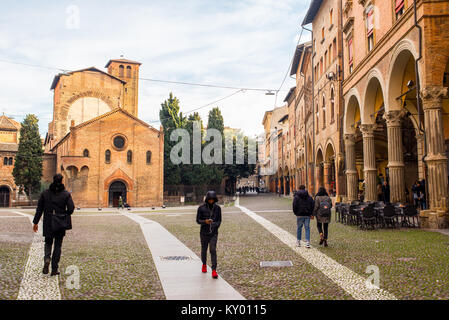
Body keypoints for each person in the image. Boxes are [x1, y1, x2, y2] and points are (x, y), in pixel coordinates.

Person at [33, 174, 75, 276]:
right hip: (60, 222)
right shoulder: (66, 194)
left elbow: (39, 209)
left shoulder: (45, 193)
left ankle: (47, 259)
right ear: (62, 181)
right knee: (58, 245)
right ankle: (54, 268)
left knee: (48, 243)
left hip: (48, 222)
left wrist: (35, 222)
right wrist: (63, 214)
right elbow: (71, 209)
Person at [196, 191, 222, 279]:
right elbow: (198, 220)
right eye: (209, 199)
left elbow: (219, 221)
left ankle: (214, 269)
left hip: (214, 233)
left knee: (213, 249)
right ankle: (204, 264)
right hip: (203, 232)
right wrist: (205, 222)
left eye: (212, 199)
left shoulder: (218, 208)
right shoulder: (201, 208)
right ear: (207, 199)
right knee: (204, 249)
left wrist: (213, 225)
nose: (211, 201)